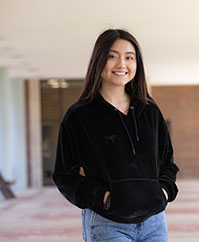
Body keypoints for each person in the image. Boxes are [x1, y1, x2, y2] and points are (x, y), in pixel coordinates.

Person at [52, 29, 179, 242]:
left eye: (129, 58)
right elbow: (64, 174)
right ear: (98, 61)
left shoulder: (150, 110)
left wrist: (163, 193)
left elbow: (167, 162)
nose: (121, 65)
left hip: (154, 223)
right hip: (106, 223)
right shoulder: (79, 115)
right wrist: (104, 199)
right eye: (112, 56)